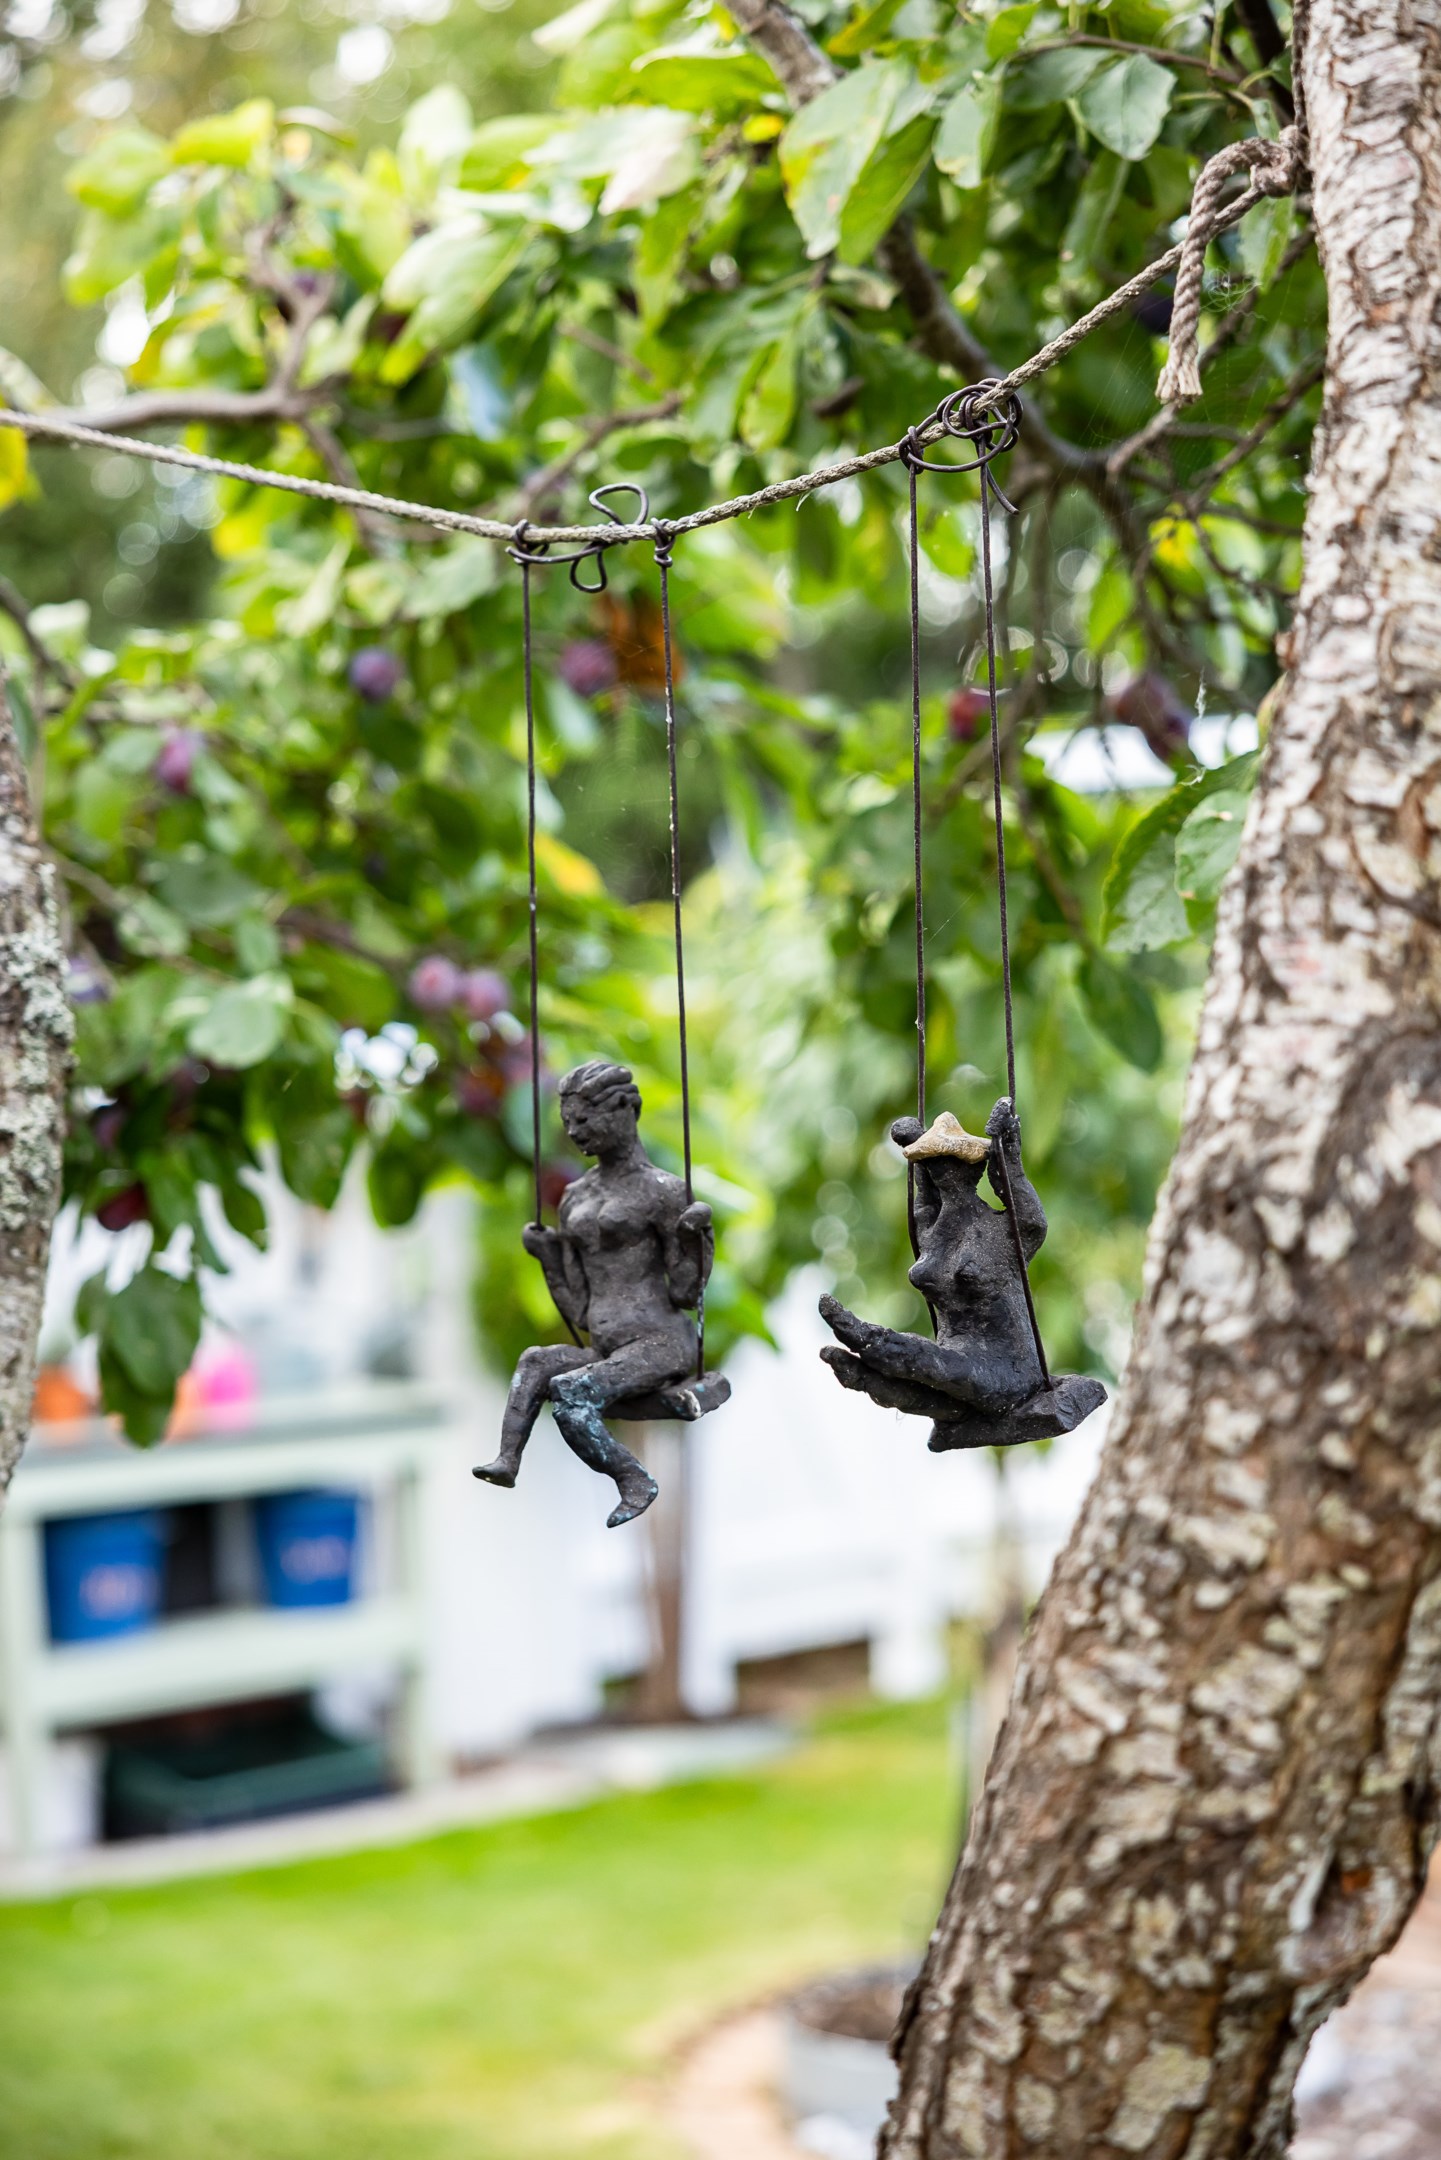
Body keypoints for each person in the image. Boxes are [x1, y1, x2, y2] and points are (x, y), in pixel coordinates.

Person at [474, 1061, 715, 1527]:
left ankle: (632, 1478)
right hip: (606, 1344)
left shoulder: (663, 1191)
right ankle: (508, 1460)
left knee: (570, 1391)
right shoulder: (575, 1199)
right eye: (568, 1121)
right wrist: (548, 1260)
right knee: (536, 1362)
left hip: (660, 1344)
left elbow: (686, 1291)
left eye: (584, 1119)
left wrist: (697, 1240)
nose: (573, 1131)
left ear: (625, 1110)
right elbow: (580, 1311)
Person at [820, 1098, 1105, 1448]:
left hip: (1007, 1368)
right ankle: (863, 1375)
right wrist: (916, 1150)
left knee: (927, 1364)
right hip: (961, 1356)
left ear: (973, 1168)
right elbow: (925, 1194)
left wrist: (1008, 1154)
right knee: (922, 1394)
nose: (941, 1170)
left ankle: (870, 1340)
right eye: (934, 1162)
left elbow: (1027, 1208)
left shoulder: (1006, 1229)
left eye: (949, 1160)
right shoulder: (930, 1226)